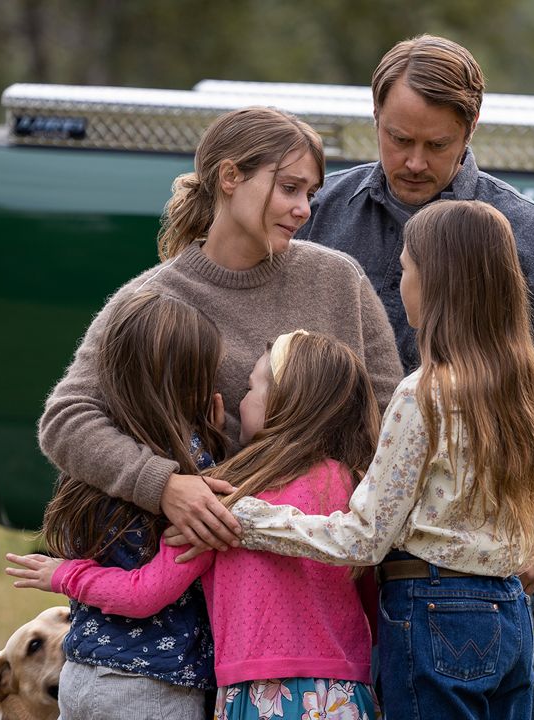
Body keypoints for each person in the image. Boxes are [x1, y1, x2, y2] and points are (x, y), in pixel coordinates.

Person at [218, 200, 534, 719]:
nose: (401, 283)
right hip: (510, 612)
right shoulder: (528, 388)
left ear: (436, 282)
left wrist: (245, 517)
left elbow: (365, 537)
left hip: (433, 610)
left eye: (405, 269)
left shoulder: (421, 394)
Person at [298, 35, 534, 589]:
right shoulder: (316, 216)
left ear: (471, 128)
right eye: (398, 139)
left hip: (469, 567)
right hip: (324, 536)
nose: (414, 162)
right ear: (375, 116)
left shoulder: (529, 234)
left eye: (437, 144)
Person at [37, 107, 403, 558]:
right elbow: (66, 419)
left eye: (310, 193)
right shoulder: (152, 299)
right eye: (289, 188)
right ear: (230, 176)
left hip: (330, 565)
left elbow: (391, 423)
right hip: (202, 571)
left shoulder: (339, 280)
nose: (304, 210)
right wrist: (163, 485)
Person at [11, 330, 383, 720]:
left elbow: (145, 593)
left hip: (258, 700)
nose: (240, 400)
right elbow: (372, 601)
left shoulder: (222, 503)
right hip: (341, 696)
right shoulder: (351, 486)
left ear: (282, 403)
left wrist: (65, 575)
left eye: (251, 389)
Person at [13, 290, 229, 718]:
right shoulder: (193, 480)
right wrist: (211, 453)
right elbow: (148, 593)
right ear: (191, 384)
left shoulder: (93, 463)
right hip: (153, 690)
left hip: (79, 677)